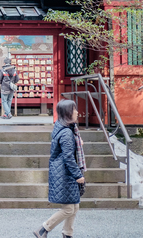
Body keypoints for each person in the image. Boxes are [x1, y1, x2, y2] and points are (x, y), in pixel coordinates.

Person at [34, 100, 86, 238]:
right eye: (74, 110)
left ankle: (67, 234)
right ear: (68, 113)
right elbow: (68, 157)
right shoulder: (67, 133)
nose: (77, 112)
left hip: (63, 172)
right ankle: (43, 229)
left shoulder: (65, 129)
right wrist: (77, 175)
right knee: (69, 208)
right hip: (64, 174)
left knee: (74, 205)